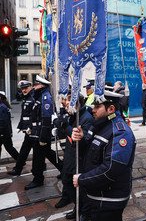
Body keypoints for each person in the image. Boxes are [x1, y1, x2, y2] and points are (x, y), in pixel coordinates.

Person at [72, 90, 136, 221]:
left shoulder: (120, 132)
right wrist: (80, 140)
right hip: (96, 195)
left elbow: (111, 169)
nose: (92, 110)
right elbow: (89, 154)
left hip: (108, 200)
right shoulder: (97, 125)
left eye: (97, 107)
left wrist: (82, 179)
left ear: (111, 109)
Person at [53, 94, 94, 220]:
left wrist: (66, 127)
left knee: (81, 190)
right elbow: (66, 129)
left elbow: (82, 141)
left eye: (68, 105)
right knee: (67, 183)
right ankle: (78, 207)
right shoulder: (72, 115)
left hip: (80, 159)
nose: (66, 108)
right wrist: (59, 127)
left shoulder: (86, 118)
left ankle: (85, 212)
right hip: (70, 157)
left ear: (77, 104)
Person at [24, 75, 62, 190]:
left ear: (42, 86)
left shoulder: (45, 98)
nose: (34, 88)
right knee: (47, 154)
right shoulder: (40, 96)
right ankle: (64, 169)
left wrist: (43, 138)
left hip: (41, 133)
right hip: (37, 132)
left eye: (36, 85)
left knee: (38, 157)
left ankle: (38, 179)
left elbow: (46, 119)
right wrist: (31, 127)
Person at [8, 81, 35, 176]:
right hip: (27, 130)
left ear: (30, 87)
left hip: (33, 130)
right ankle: (17, 169)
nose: (24, 90)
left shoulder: (33, 98)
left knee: (43, 151)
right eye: (22, 88)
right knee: (25, 150)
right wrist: (20, 126)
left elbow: (35, 115)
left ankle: (61, 167)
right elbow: (24, 115)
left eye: (26, 88)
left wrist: (31, 127)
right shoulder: (26, 98)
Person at [0, 91, 19, 160]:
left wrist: (2, 133)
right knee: (9, 147)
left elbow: (3, 122)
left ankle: (20, 161)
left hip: (3, 132)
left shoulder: (2, 108)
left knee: (9, 148)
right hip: (4, 132)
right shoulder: (2, 106)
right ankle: (20, 160)